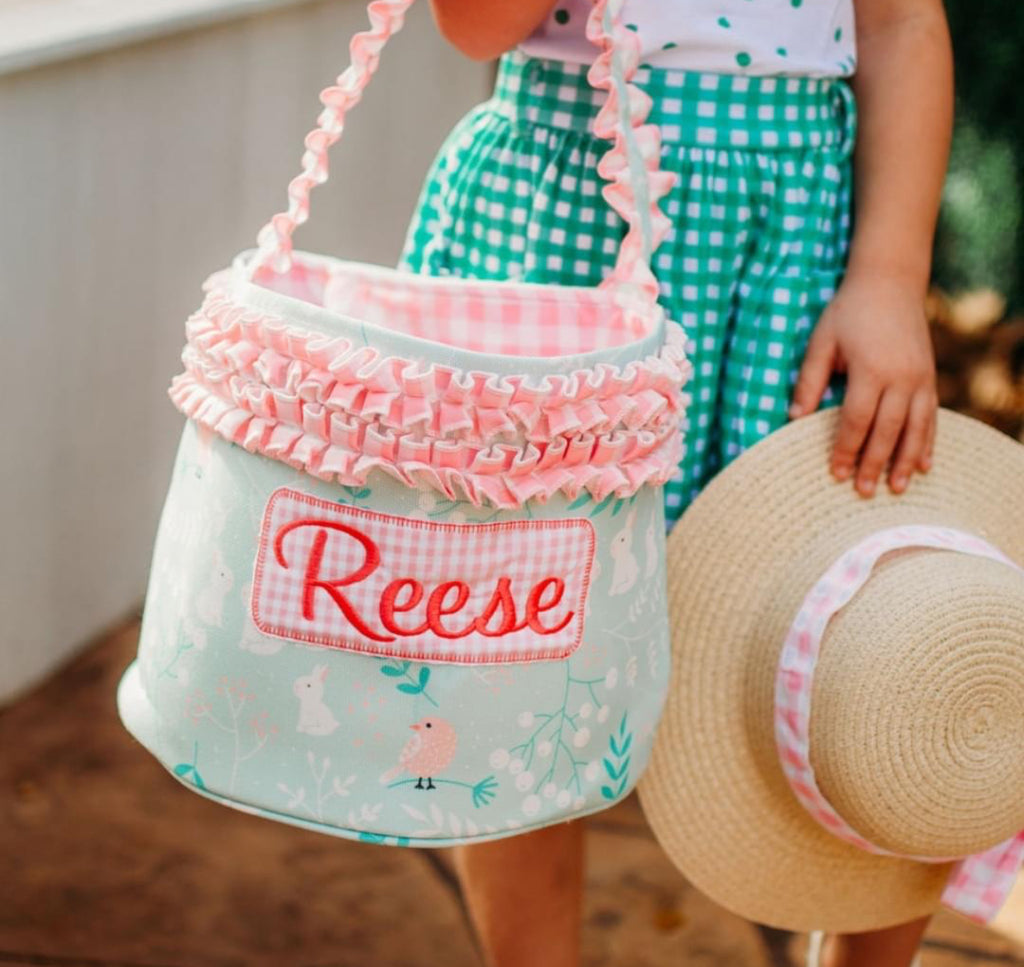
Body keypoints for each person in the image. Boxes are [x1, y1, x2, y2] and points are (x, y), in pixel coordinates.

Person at [398, 1, 953, 965]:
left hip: (788, 250)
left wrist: (891, 277)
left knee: (853, 638)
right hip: (562, 221)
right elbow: (474, 27)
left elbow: (902, 21)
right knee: (519, 650)